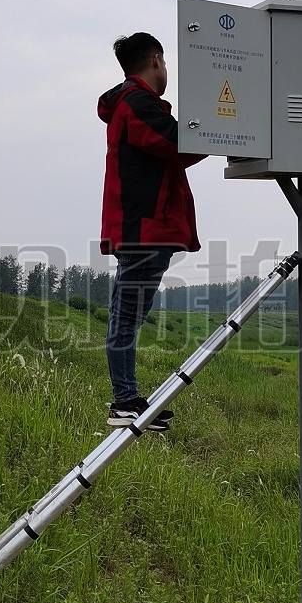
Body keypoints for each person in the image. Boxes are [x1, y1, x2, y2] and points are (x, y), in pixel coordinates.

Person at [98, 31, 204, 429]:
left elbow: (176, 151)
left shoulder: (133, 104)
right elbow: (180, 143)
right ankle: (125, 402)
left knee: (129, 315)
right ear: (157, 60)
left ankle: (127, 399)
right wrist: (218, 122)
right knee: (127, 317)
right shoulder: (137, 103)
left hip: (142, 230)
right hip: (144, 230)